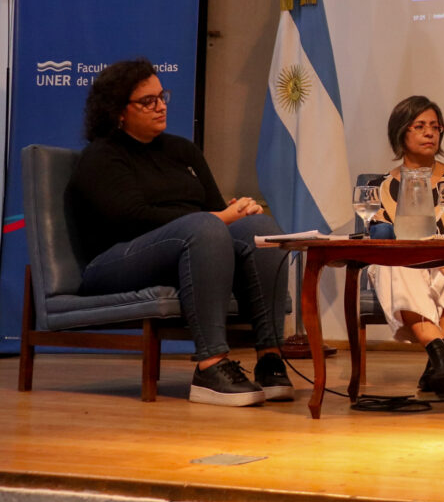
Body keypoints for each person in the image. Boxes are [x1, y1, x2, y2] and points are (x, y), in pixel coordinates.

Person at [69, 59, 293, 407]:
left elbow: (216, 211)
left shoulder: (182, 151)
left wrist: (239, 213)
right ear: (118, 111)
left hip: (189, 245)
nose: (160, 106)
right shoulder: (102, 156)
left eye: (162, 96)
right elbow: (132, 218)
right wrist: (217, 218)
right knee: (204, 226)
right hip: (115, 260)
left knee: (261, 228)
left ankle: (269, 357)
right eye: (148, 101)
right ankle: (210, 365)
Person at [366, 95, 444, 397]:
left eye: (435, 127)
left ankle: (441, 359)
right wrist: (430, 260)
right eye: (419, 126)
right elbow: (380, 242)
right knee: (389, 264)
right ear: (401, 133)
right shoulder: (381, 186)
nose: (429, 133)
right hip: (404, 267)